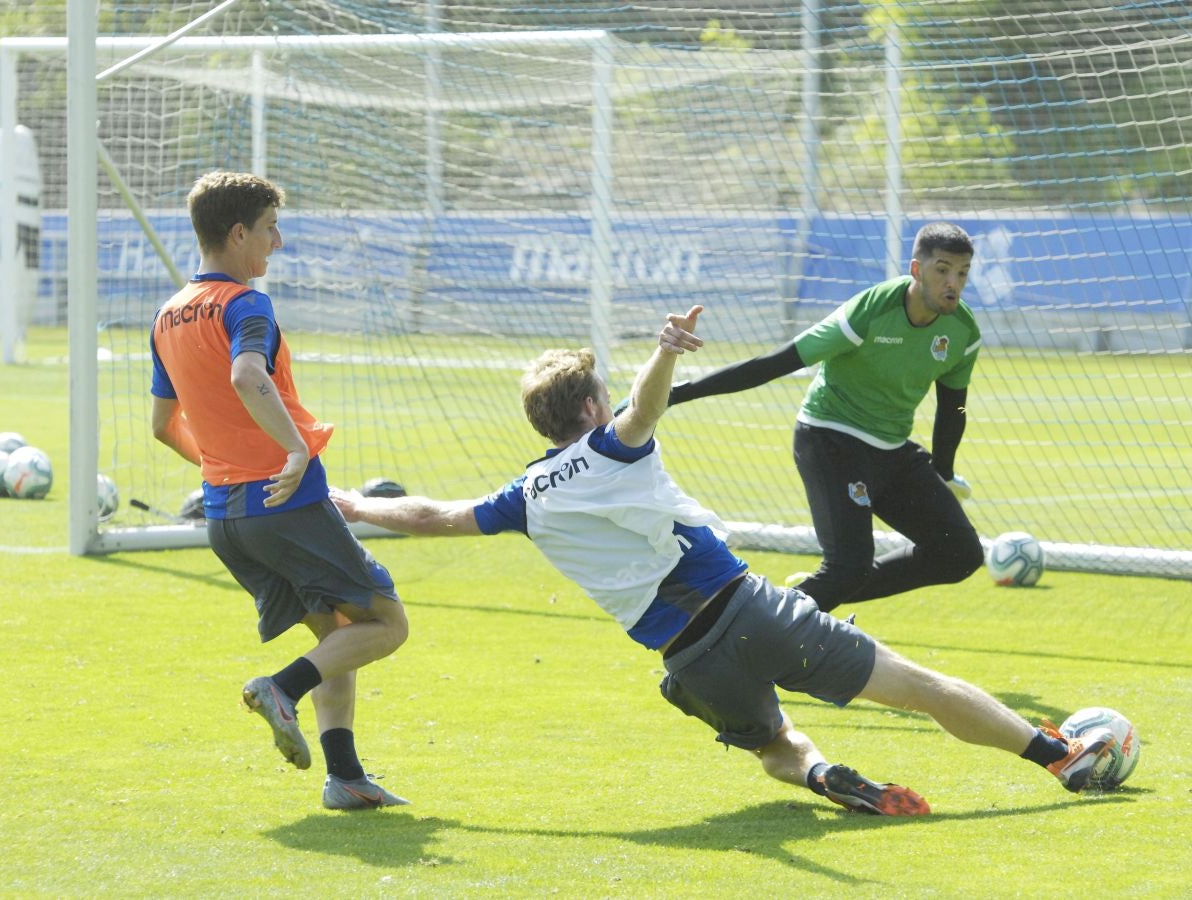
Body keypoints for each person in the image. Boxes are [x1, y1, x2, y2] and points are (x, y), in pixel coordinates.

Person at [330, 304, 1117, 816]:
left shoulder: (526, 494)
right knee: (917, 688)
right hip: (751, 609)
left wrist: (356, 505)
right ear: (589, 410)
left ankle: (819, 777)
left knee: (773, 743)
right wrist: (666, 349)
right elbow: (645, 407)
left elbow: (435, 514)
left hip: (686, 659)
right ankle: (1059, 756)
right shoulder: (612, 443)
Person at [150, 171, 410, 810]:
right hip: (285, 501)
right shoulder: (245, 304)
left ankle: (345, 777)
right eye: (269, 230)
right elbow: (246, 375)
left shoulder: (165, 316)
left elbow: (161, 425)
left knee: (337, 637)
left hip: (226, 518)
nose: (278, 243)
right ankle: (280, 689)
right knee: (386, 623)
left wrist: (222, 467)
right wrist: (294, 449)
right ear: (238, 234)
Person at [664, 222, 985, 613]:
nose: (953, 282)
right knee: (848, 566)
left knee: (960, 553)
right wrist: (675, 394)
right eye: (943, 269)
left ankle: (806, 599)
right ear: (917, 270)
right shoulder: (870, 311)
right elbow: (774, 363)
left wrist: (945, 472)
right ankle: (760, 622)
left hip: (892, 449)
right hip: (831, 438)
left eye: (962, 273)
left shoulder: (963, 331)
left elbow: (954, 408)